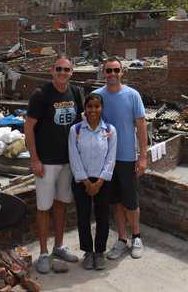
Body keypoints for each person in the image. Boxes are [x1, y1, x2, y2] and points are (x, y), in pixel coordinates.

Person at [24, 55, 83, 273]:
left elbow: (79, 125)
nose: (62, 73)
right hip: (46, 163)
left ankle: (59, 246)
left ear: (71, 72)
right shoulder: (41, 95)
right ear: (51, 71)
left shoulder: (76, 92)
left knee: (61, 205)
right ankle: (43, 253)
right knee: (43, 208)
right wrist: (34, 159)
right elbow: (28, 127)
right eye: (59, 69)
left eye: (66, 69)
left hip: (68, 161)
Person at [93, 57, 148, 261]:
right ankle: (122, 239)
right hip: (106, 159)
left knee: (131, 201)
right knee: (115, 201)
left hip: (126, 157)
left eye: (116, 70)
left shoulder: (132, 95)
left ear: (122, 72)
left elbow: (141, 126)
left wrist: (142, 156)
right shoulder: (97, 96)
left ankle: (136, 237)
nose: (112, 74)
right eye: (109, 71)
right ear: (103, 72)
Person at [68, 93, 117, 270]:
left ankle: (100, 252)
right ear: (85, 108)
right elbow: (74, 156)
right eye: (90, 107)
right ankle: (88, 252)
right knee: (83, 217)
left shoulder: (109, 130)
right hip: (82, 181)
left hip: (103, 182)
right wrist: (87, 182)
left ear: (101, 108)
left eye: (97, 106)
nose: (93, 110)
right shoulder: (77, 130)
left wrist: (99, 182)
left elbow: (111, 158)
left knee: (103, 217)